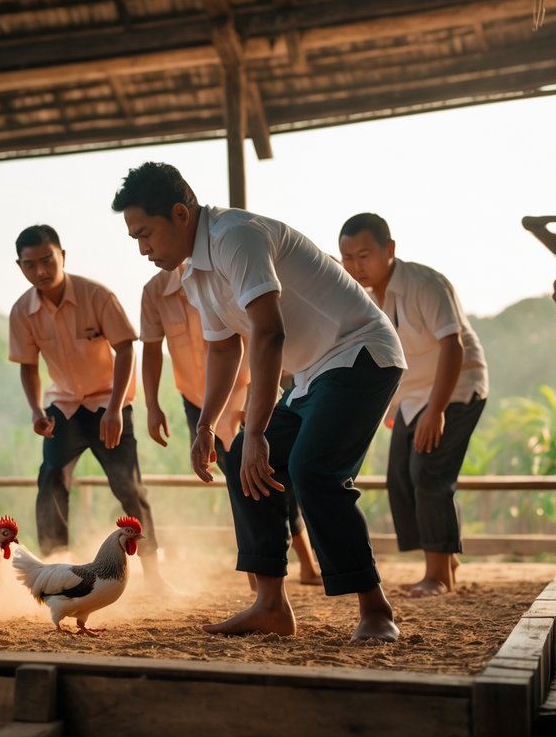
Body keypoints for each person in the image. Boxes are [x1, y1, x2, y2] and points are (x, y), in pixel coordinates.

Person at [112, 162, 406, 641]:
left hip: (361, 351)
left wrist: (253, 432)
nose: (143, 248)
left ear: (181, 214)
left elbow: (267, 334)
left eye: (146, 234)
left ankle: (376, 609)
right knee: (244, 469)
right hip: (312, 373)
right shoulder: (196, 275)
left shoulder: (235, 236)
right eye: (135, 239)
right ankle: (270, 605)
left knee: (313, 471)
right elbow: (225, 347)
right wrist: (207, 426)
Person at [139, 266, 321, 586]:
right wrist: (152, 405)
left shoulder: (225, 277)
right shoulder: (154, 292)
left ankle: (299, 565)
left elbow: (257, 337)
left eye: (147, 235)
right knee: (236, 476)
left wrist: (254, 400)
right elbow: (152, 351)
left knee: (264, 471)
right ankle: (259, 569)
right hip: (198, 399)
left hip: (244, 389)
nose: (145, 248)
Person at [339, 213, 488, 597]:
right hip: (409, 396)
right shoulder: (364, 298)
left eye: (365, 255)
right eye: (348, 258)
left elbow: (452, 347)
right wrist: (392, 407)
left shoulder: (424, 283)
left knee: (429, 474)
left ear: (390, 250)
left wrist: (436, 411)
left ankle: (438, 576)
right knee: (401, 479)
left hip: (455, 386)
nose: (356, 266)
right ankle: (446, 560)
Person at [7, 224, 165, 586]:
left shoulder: (97, 296)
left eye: (48, 260)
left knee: (128, 486)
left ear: (63, 256)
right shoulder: (22, 311)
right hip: (61, 406)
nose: (41, 271)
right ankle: (53, 568)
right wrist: (35, 410)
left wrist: (114, 409)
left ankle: (154, 573)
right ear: (20, 267)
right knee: (51, 480)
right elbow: (29, 367)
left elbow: (126, 348)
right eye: (30, 265)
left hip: (108, 404)